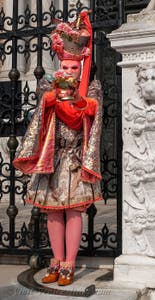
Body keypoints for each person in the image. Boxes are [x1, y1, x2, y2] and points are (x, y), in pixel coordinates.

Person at [13, 11, 102, 286]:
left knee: (75, 211)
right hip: (52, 159)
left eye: (74, 68)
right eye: (64, 67)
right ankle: (55, 260)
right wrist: (52, 96)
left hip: (76, 159)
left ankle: (69, 265)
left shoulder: (92, 88)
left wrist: (77, 98)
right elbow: (41, 114)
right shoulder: (46, 87)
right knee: (52, 211)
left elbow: (92, 113)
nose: (68, 72)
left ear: (81, 67)